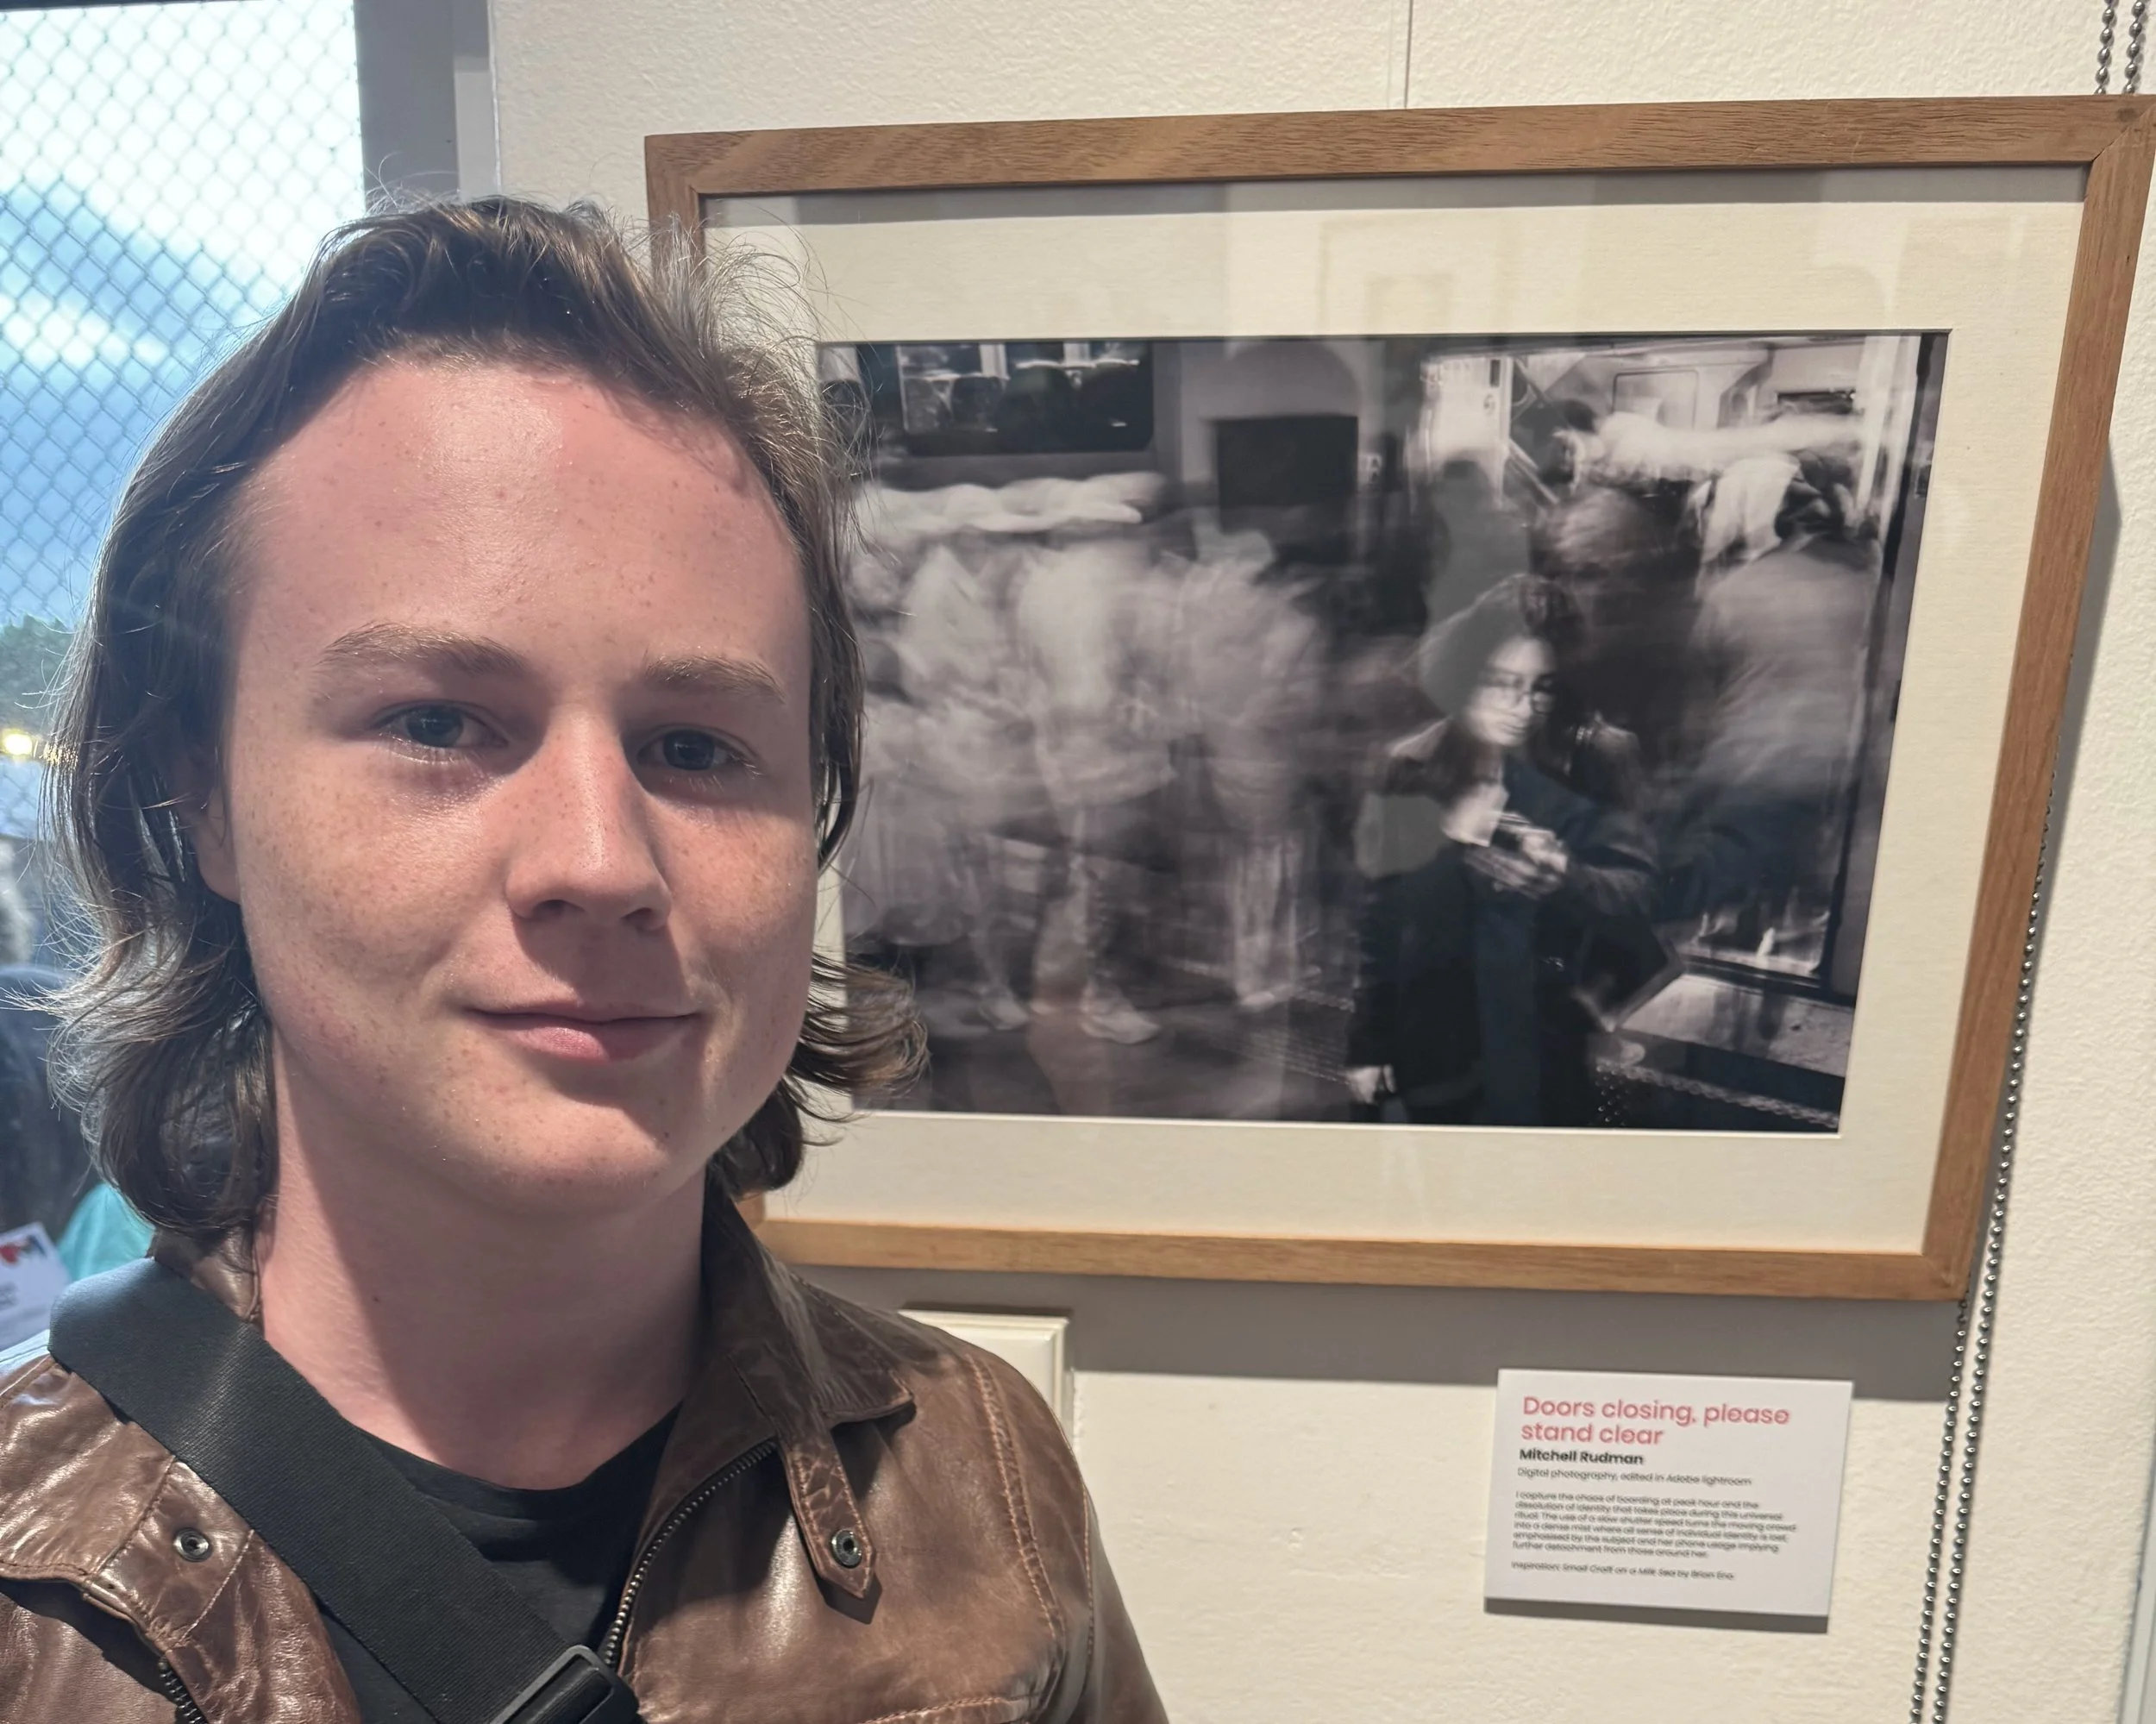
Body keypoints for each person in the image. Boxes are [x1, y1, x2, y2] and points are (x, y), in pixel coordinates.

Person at [0, 200, 1163, 1723]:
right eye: (437, 722)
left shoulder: (982, 1483)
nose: (603, 860)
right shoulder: (31, 1592)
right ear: (199, 797)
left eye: (696, 745)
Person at [1346, 580, 1657, 1125]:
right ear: (1465, 677)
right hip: (1433, 1038)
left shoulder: (1591, 761)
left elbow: (1638, 894)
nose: (1523, 707)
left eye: (1541, 688)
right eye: (1500, 684)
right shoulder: (1411, 767)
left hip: (1541, 1038)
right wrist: (1370, 1041)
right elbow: (1381, 917)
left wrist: (1566, 878)